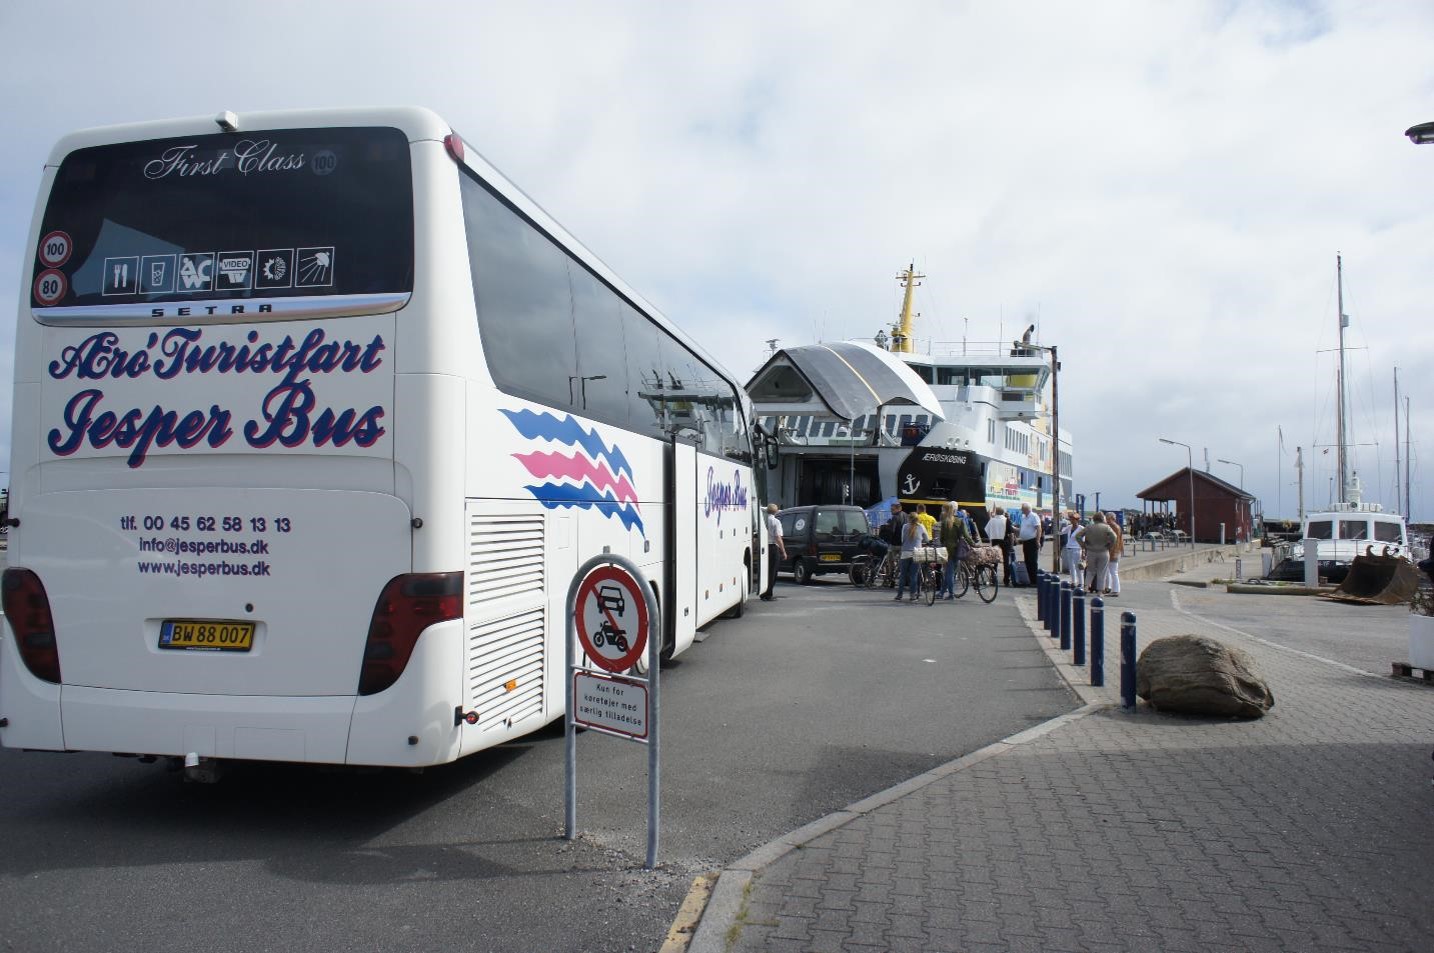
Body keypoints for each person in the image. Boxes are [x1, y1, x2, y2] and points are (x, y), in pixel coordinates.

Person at [939, 502, 973, 600]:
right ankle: (945, 593)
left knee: (949, 572)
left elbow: (942, 538)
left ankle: (948, 593)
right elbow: (966, 535)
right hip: (957, 548)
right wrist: (973, 544)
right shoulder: (960, 521)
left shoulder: (945, 522)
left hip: (947, 549)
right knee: (950, 572)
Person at [1076, 511, 1117, 593]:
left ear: (1094, 519)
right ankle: (1100, 591)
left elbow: (1078, 536)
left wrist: (1083, 545)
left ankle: (1086, 587)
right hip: (1103, 551)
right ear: (1103, 519)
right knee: (1102, 572)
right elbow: (1114, 537)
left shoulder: (1089, 527)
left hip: (1091, 551)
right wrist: (1110, 545)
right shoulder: (1107, 527)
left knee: (1090, 571)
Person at [894, 512, 929, 602]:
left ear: (909, 518)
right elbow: (927, 539)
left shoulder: (905, 526)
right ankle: (912, 595)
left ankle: (899, 595)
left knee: (903, 575)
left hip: (905, 552)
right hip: (916, 553)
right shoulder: (921, 527)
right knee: (914, 575)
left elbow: (902, 539)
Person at [761, 503, 785, 600]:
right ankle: (768, 594)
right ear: (776, 511)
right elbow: (778, 537)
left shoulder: (762, 521)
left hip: (763, 547)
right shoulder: (776, 522)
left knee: (765, 571)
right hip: (772, 548)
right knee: (772, 572)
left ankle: (763, 593)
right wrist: (783, 551)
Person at [1016, 502, 1042, 586]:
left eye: (1022, 509)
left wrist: (1038, 541)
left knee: (1032, 561)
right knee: (1027, 561)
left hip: (1032, 541)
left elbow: (1039, 529)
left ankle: (1034, 581)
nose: (1021, 510)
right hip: (1026, 542)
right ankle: (1030, 579)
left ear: (1026, 509)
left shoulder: (1034, 516)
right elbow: (1022, 528)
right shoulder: (1024, 517)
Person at [985, 506, 1012, 587]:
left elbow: (987, 530)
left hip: (995, 541)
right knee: (1006, 561)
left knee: (994, 561)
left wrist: (992, 536)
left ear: (996, 512)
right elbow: (1010, 533)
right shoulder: (1007, 520)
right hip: (1004, 541)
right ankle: (1006, 580)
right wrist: (1011, 543)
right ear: (1003, 512)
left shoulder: (992, 520)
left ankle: (993, 579)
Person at [1104, 511, 1124, 597]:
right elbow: (1121, 540)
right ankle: (1109, 587)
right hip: (1116, 551)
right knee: (1110, 571)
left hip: (1113, 552)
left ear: (1111, 518)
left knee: (1113, 571)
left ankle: (1115, 590)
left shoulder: (1112, 527)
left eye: (1108, 518)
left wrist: (1111, 552)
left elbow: (1114, 541)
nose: (1107, 520)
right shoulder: (1117, 526)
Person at [1060, 511, 1083, 583]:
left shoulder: (1081, 528)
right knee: (1071, 566)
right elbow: (1061, 532)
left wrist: (1083, 551)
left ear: (1077, 520)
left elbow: (1083, 540)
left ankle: (1081, 582)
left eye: (1073, 519)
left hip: (1077, 549)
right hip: (1069, 548)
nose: (1071, 520)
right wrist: (1062, 525)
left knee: (1078, 566)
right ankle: (1073, 581)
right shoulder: (1069, 527)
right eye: (1071, 519)